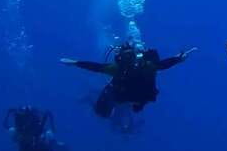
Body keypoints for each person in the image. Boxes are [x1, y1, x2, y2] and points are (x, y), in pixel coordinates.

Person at [61, 43, 196, 118]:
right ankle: (132, 107)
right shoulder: (145, 66)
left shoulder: (118, 69)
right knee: (131, 103)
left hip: (125, 96)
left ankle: (120, 108)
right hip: (139, 98)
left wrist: (75, 63)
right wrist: (179, 58)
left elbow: (97, 67)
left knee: (109, 94)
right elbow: (163, 65)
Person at [3, 106, 68, 151]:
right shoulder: (22, 129)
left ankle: (57, 148)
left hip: (34, 143)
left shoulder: (35, 130)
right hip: (30, 144)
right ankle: (56, 148)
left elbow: (6, 125)